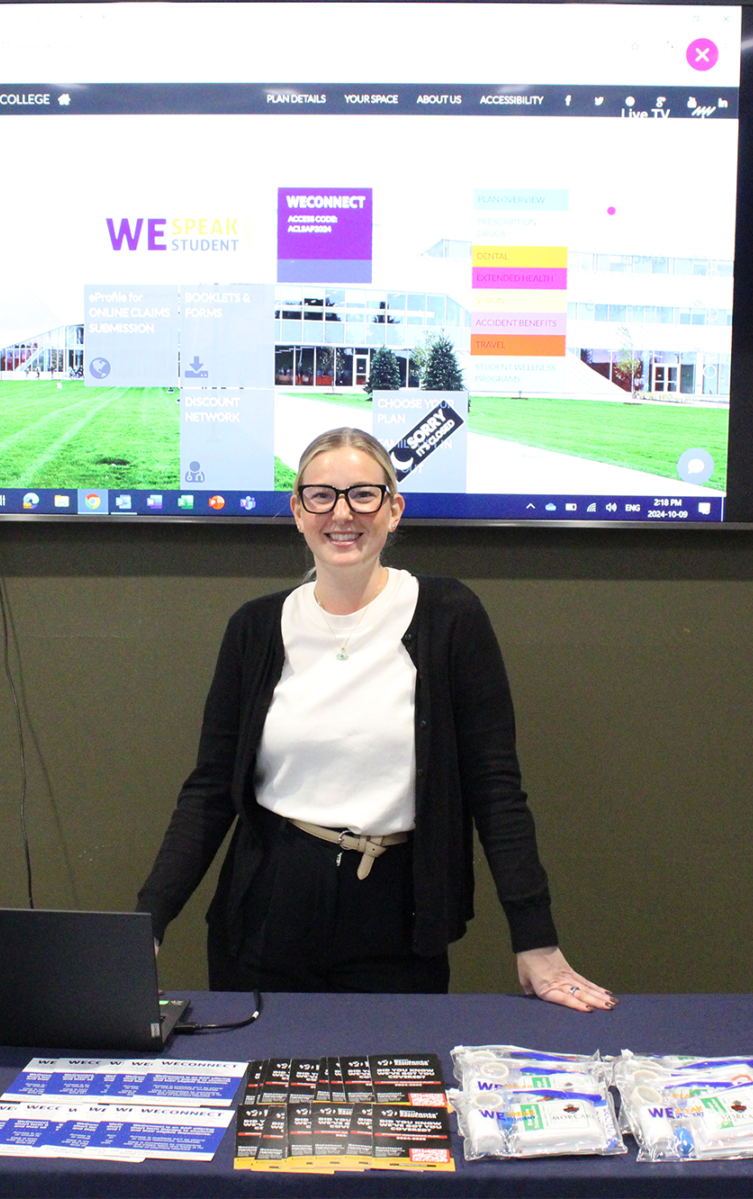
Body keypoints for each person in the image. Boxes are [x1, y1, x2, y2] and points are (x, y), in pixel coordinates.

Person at [136, 427, 612, 1011]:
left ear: (393, 509)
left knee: (391, 1091)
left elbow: (495, 788)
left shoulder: (449, 615)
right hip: (266, 910)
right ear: (297, 511)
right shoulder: (255, 628)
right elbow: (209, 791)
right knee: (261, 1093)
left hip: (397, 915)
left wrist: (535, 940)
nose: (342, 513)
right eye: (321, 496)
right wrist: (147, 925)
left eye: (364, 495)